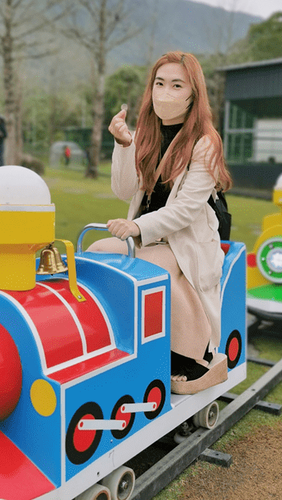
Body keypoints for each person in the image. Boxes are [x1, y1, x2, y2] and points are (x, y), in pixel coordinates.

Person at [91, 51, 233, 394]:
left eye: (176, 84)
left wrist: (139, 228)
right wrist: (124, 144)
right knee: (96, 253)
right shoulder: (148, 133)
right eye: (159, 83)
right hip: (149, 233)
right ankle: (112, 335)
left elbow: (185, 209)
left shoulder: (205, 140)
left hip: (188, 236)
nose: (165, 92)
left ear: (192, 94)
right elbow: (124, 189)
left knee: (155, 269)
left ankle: (197, 357)